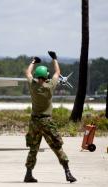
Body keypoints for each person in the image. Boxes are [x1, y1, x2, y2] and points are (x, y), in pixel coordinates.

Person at [24, 51, 77, 183]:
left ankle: (28, 174)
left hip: (34, 122)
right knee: (57, 146)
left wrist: (33, 61)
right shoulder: (50, 87)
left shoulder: (32, 86)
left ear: (37, 76)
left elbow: (28, 73)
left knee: (33, 148)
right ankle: (68, 173)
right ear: (46, 76)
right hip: (47, 121)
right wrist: (54, 59)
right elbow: (57, 72)